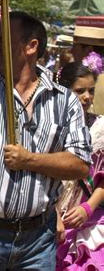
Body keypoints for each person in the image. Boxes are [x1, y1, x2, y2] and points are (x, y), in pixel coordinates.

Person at [0, 0, 92, 270]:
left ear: (31, 46)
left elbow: (81, 165)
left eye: (2, 39)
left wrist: (30, 160)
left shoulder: (64, 101)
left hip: (37, 240)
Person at [56, 62, 104, 269]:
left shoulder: (100, 128)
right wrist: (54, 215)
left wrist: (88, 207)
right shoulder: (49, 127)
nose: (87, 97)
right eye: (79, 91)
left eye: (91, 91)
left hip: (88, 222)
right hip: (50, 220)